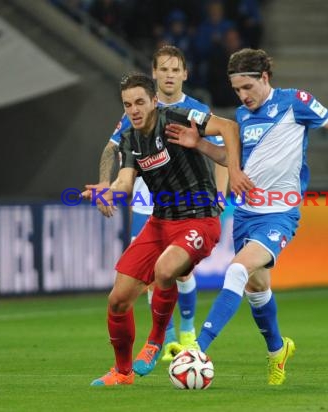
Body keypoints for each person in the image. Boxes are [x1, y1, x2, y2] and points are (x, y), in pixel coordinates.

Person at [165, 48, 328, 385]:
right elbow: (232, 160)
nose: (243, 96)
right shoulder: (242, 116)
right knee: (256, 287)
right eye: (236, 90)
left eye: (247, 87)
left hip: (279, 215)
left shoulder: (296, 102)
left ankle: (198, 349)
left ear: (264, 78)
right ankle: (278, 350)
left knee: (235, 270)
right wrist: (199, 144)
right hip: (246, 214)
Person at [82, 72, 249, 386]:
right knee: (117, 300)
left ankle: (156, 341)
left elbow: (229, 127)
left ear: (154, 101)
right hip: (160, 222)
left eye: (140, 102)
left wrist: (234, 170)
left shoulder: (178, 117)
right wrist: (109, 192)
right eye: (128, 104)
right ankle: (123, 372)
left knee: (165, 269)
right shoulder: (131, 138)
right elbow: (127, 181)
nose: (134, 109)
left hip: (200, 219)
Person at [97, 45, 228, 364]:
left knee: (177, 271)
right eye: (163, 70)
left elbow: (222, 152)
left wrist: (221, 196)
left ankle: (184, 331)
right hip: (147, 200)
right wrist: (106, 185)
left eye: (175, 69)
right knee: (148, 276)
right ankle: (165, 338)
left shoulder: (194, 110)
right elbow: (111, 150)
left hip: (190, 206)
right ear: (154, 75)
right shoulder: (134, 114)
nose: (169, 75)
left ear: (184, 74)